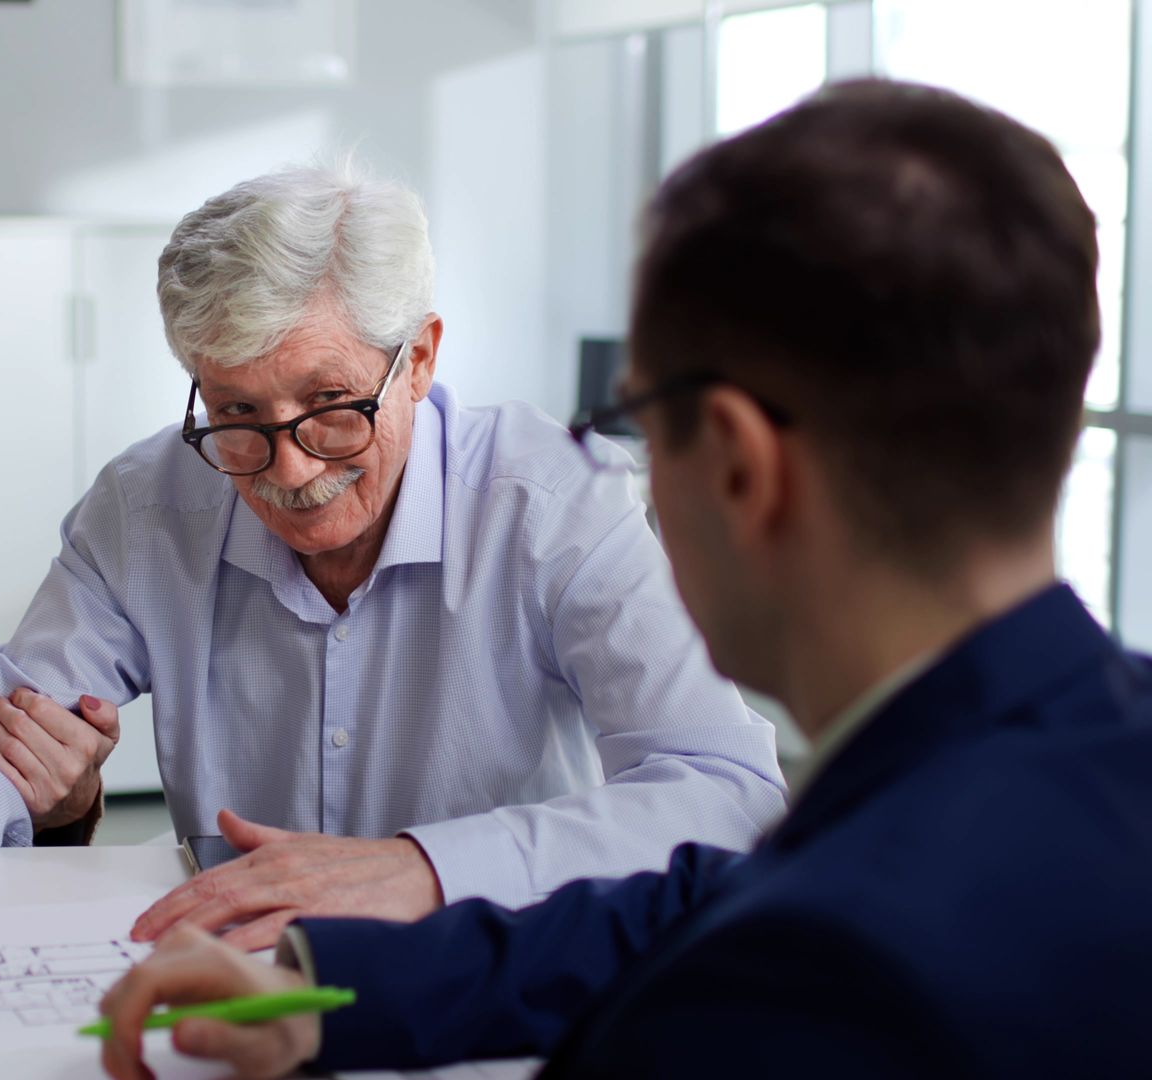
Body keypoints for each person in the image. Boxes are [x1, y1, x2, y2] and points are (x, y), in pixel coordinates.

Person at [94, 80, 1152, 1079]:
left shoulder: (790, 997)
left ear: (737, 463)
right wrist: (323, 995)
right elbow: (695, 899)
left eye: (635, 418)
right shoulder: (1066, 760)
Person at [0, 160, 787, 950]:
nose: (290, 470)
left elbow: (728, 793)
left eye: (333, 404)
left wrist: (422, 867)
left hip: (490, 991)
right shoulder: (145, 507)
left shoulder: (555, 502)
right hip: (235, 1001)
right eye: (236, 415)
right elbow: (2, 740)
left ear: (418, 360)